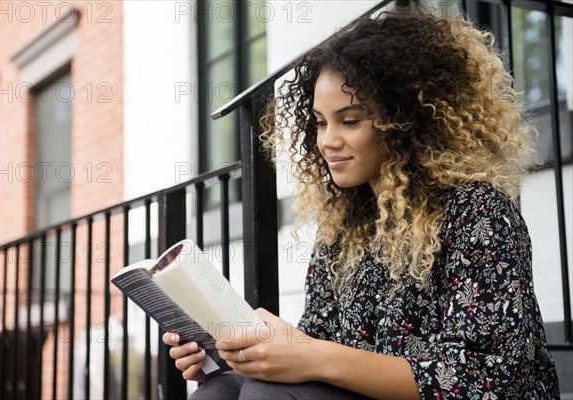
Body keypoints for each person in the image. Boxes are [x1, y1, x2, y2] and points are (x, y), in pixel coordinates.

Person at [162, 6, 560, 399]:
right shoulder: (344, 225)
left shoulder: (477, 212)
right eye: (320, 122)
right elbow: (317, 343)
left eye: (349, 121)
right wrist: (240, 354)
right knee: (221, 389)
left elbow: (484, 376)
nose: (327, 140)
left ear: (408, 122)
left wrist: (311, 359)